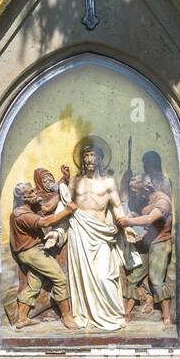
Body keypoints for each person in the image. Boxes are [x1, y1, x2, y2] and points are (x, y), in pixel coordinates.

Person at [66, 138, 139, 331]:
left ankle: (113, 314)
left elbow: (117, 207)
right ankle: (86, 314)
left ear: (100, 159)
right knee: (84, 278)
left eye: (93, 155)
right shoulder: (76, 181)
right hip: (80, 231)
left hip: (101, 233)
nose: (89, 159)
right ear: (82, 159)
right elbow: (67, 205)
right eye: (86, 156)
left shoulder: (108, 182)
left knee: (105, 275)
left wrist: (126, 227)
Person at [5, 180, 77, 329]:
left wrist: (61, 184)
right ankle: (66, 316)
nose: (34, 192)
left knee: (34, 284)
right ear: (23, 198)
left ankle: (22, 319)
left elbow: (48, 207)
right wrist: (67, 211)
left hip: (29, 252)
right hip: (31, 252)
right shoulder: (21, 215)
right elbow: (45, 222)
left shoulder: (28, 208)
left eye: (33, 190)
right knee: (60, 278)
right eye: (30, 192)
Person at [121, 174, 175, 326]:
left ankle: (166, 318)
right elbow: (138, 214)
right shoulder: (145, 199)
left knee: (156, 280)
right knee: (133, 277)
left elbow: (151, 218)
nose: (135, 194)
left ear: (146, 187)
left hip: (160, 242)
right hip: (147, 241)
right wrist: (128, 217)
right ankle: (127, 315)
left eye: (136, 190)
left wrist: (128, 221)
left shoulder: (162, 201)